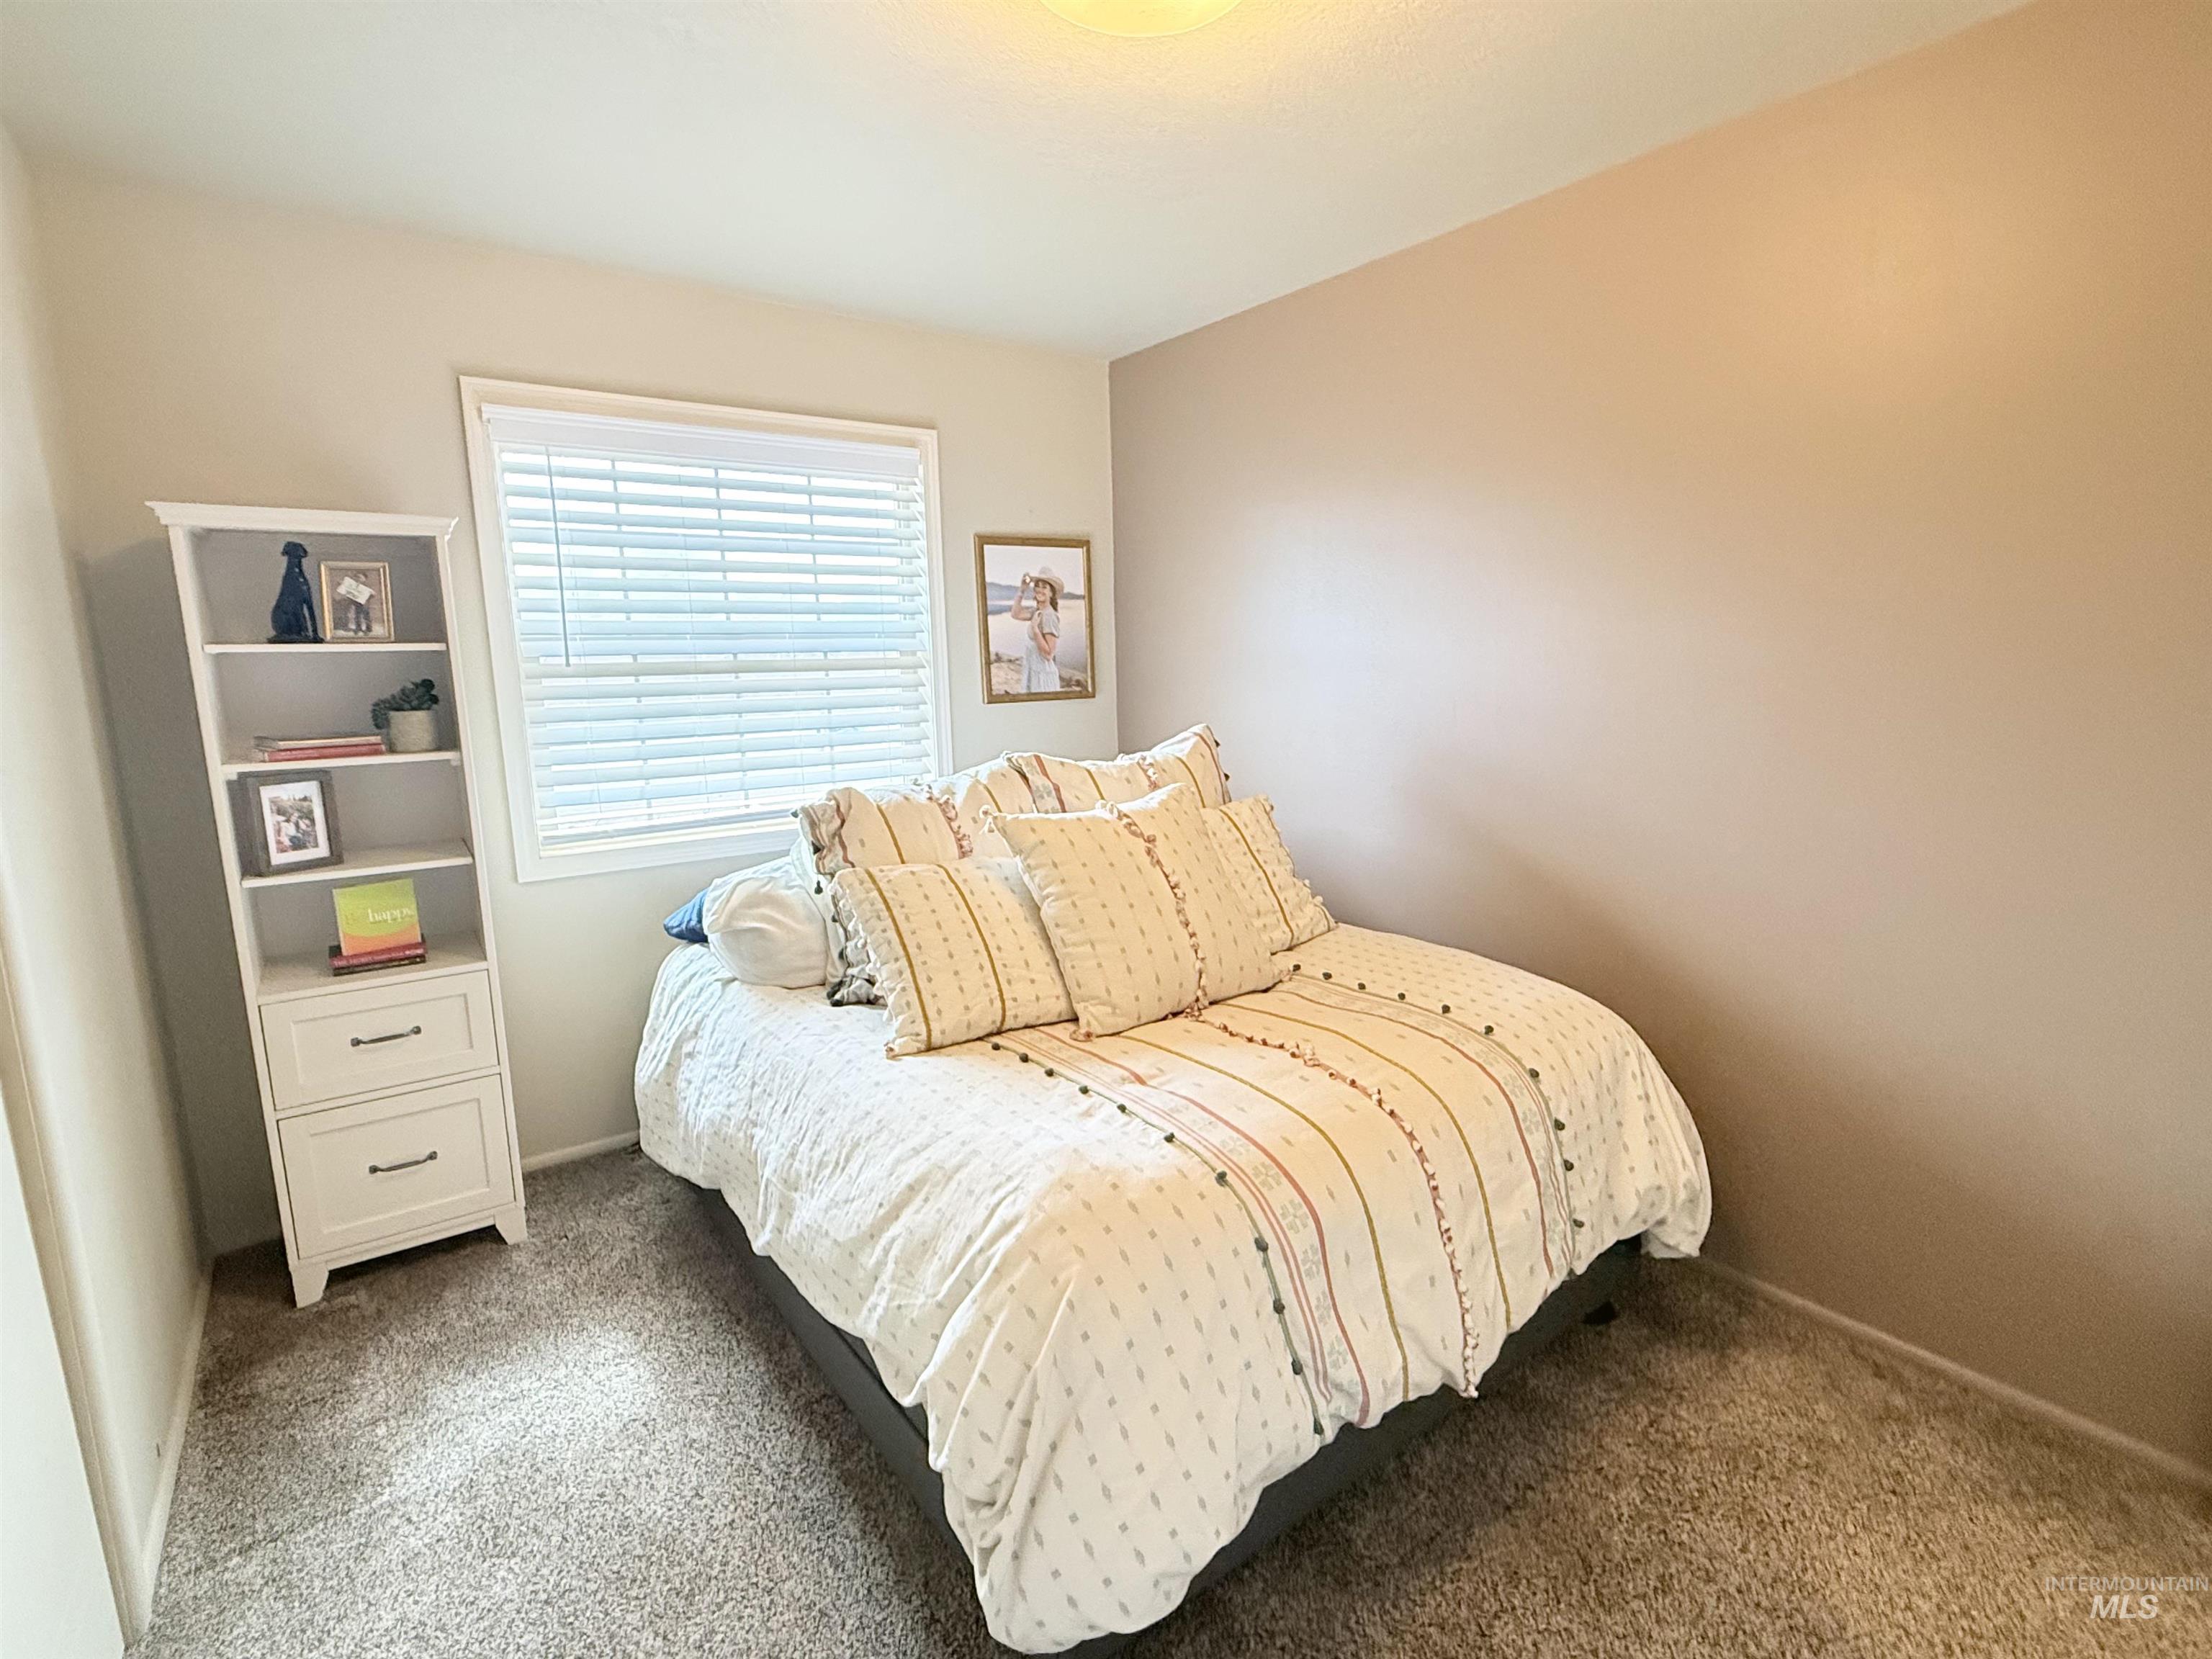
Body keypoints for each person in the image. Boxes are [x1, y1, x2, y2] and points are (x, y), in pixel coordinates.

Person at [1009, 567, 1064, 694]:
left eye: (1044, 587)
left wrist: (1035, 629)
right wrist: (1022, 590)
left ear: (1051, 593)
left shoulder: (1050, 616)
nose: (1039, 589)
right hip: (1033, 672)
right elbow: (1015, 614)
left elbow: (1049, 654)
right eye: (1037, 586)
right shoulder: (1037, 612)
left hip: (1043, 676)